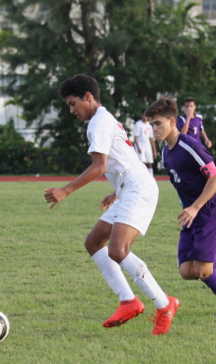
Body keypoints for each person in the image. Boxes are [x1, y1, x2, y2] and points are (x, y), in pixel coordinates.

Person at [44, 74, 179, 336]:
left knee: (118, 250)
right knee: (94, 242)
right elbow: (122, 158)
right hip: (128, 187)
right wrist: (116, 191)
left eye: (73, 103)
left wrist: (65, 191)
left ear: (88, 97)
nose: (72, 110)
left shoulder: (98, 123)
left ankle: (164, 304)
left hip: (138, 188)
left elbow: (100, 166)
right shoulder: (102, 118)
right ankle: (128, 301)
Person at [145, 97, 216, 317]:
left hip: (208, 212)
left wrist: (195, 207)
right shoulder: (167, 154)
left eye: (158, 123)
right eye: (151, 124)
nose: (154, 129)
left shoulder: (190, 146)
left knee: (204, 270)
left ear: (172, 121)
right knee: (188, 271)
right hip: (191, 216)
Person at [132, 109, 158, 176]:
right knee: (142, 163)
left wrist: (154, 150)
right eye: (144, 115)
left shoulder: (149, 125)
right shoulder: (138, 124)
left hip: (147, 146)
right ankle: (142, 177)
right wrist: (138, 148)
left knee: (149, 163)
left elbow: (151, 138)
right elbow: (135, 138)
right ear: (142, 115)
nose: (145, 117)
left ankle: (151, 177)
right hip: (140, 145)